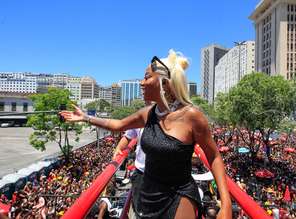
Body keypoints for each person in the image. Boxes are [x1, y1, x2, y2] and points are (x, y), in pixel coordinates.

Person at [60, 49, 232, 219]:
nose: (141, 83)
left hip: (179, 195)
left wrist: (226, 204)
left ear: (165, 83)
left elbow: (214, 156)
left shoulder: (192, 116)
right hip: (147, 195)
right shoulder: (148, 113)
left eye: (147, 77)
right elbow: (117, 125)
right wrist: (85, 117)